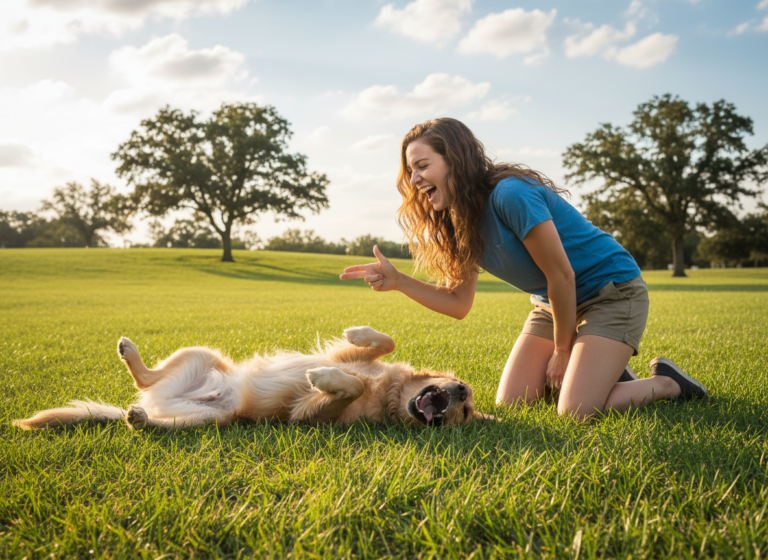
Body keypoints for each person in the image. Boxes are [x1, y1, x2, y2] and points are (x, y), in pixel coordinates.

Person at [339, 118, 708, 420]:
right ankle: (602, 368)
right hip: (552, 303)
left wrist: (563, 351)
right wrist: (399, 281)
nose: (416, 180)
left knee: (576, 412)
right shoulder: (458, 220)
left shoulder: (510, 195)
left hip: (610, 291)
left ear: (456, 161)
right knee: (513, 403)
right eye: (411, 170)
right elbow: (458, 303)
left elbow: (562, 274)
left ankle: (667, 384)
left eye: (423, 166)